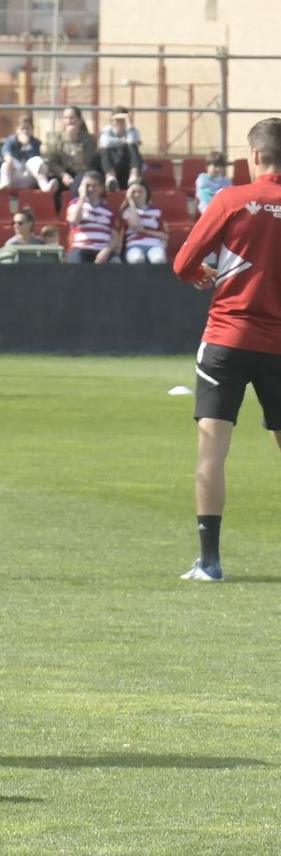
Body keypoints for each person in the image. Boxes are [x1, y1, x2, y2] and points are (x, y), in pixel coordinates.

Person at [169, 117, 281, 583]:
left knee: (212, 450)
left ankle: (210, 562)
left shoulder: (232, 200)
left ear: (254, 155)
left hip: (227, 339)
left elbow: (183, 263)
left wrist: (199, 276)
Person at [45, 106, 96, 202]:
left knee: (79, 182)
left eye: (72, 118)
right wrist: (63, 175)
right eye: (66, 118)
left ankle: (76, 207)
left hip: (81, 171)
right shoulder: (56, 138)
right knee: (52, 183)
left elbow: (87, 161)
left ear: (79, 121)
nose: (69, 121)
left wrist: (73, 140)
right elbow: (52, 162)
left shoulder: (89, 139)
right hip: (63, 172)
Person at [65, 171, 117, 264]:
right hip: (81, 248)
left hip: (103, 249)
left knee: (116, 262)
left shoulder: (109, 209)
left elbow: (115, 237)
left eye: (94, 186)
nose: (90, 189)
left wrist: (106, 251)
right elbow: (74, 220)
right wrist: (82, 198)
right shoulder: (75, 203)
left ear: (101, 188)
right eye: (87, 185)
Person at [0, 115, 53, 192]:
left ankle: (45, 186)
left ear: (32, 130)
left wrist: (27, 145)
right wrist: (9, 159)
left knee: (37, 161)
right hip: (14, 177)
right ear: (17, 130)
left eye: (28, 129)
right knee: (7, 163)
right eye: (22, 129)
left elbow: (34, 158)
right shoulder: (11, 141)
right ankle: (4, 183)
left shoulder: (35, 143)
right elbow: (6, 152)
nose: (25, 131)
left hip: (30, 177)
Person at [93, 110, 143, 192]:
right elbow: (105, 142)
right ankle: (110, 178)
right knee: (104, 150)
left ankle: (134, 176)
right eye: (117, 120)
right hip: (111, 163)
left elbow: (132, 141)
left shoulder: (132, 130)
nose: (119, 123)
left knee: (132, 147)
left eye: (122, 120)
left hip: (126, 164)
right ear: (112, 120)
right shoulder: (107, 130)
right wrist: (123, 141)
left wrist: (128, 124)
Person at [120, 181, 168, 264]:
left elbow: (165, 235)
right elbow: (135, 224)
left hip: (154, 244)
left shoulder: (157, 211)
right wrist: (131, 202)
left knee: (158, 259)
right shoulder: (127, 212)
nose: (137, 195)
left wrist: (145, 231)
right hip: (134, 245)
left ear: (147, 193)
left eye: (140, 191)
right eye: (134, 192)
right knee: (136, 259)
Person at [195, 150, 233, 215]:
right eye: (215, 166)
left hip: (224, 212)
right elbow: (207, 197)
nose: (218, 169)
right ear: (207, 166)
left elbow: (231, 197)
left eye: (221, 166)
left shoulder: (227, 182)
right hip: (207, 212)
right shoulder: (202, 180)